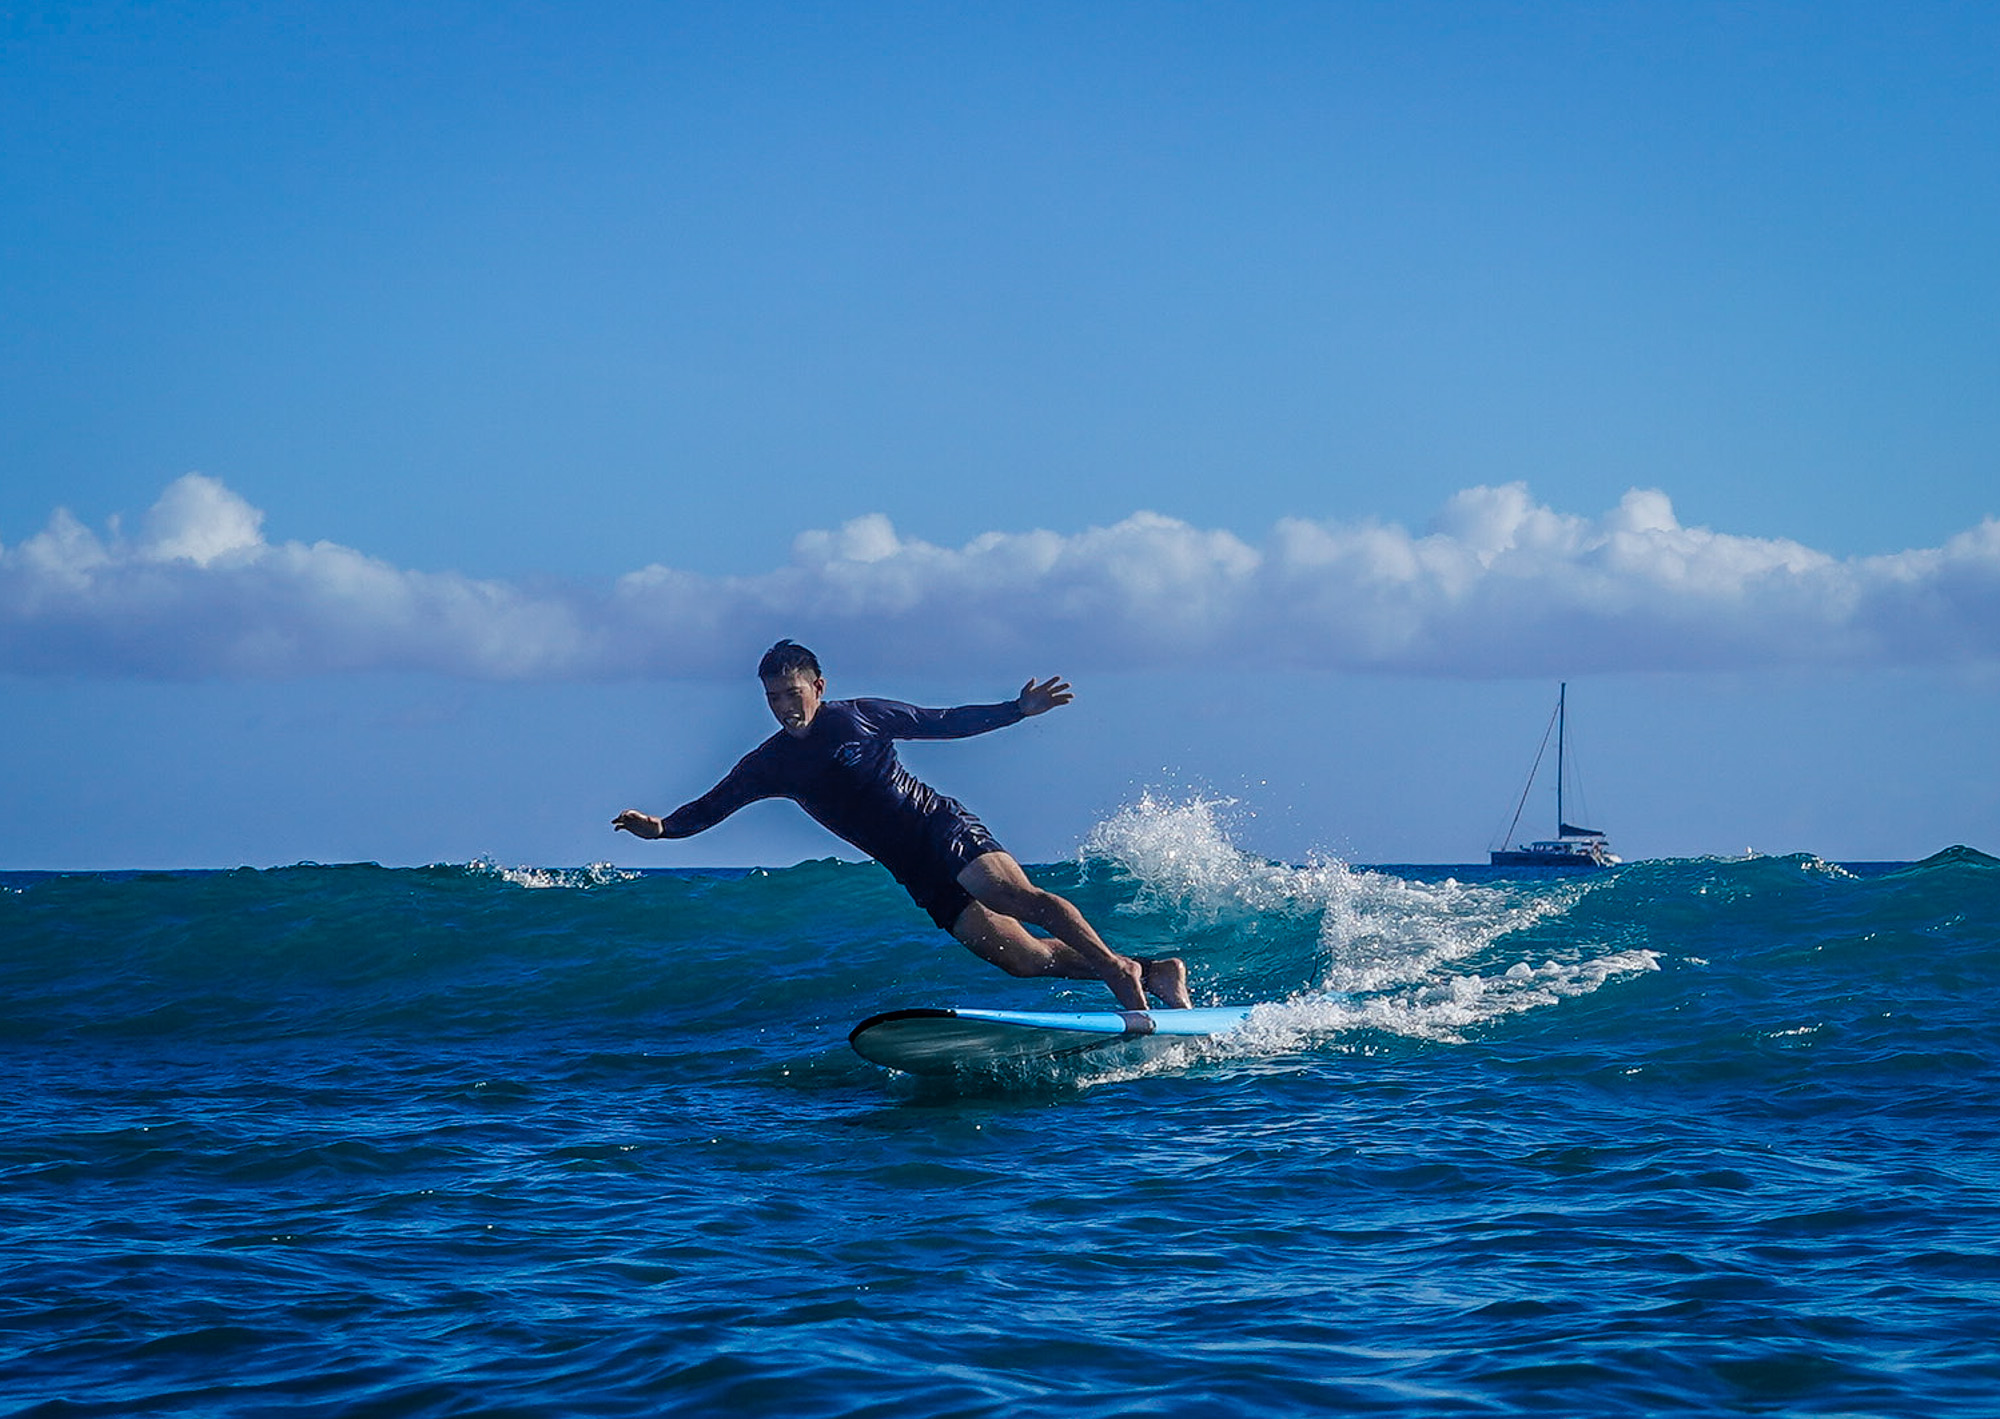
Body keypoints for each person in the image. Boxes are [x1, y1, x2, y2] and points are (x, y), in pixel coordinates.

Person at [613, 639, 1190, 1013]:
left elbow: (942, 721)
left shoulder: (858, 718)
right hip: (914, 870)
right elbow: (712, 806)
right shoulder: (770, 764)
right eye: (772, 697)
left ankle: (1116, 971)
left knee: (1013, 896)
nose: (784, 706)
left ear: (818, 687)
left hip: (940, 828)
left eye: (793, 693)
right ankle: (1154, 973)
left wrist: (1016, 710)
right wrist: (661, 829)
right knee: (1024, 960)